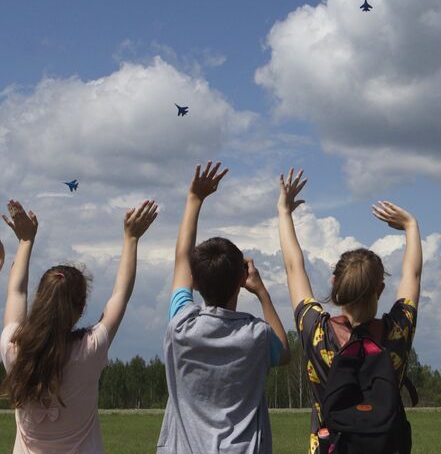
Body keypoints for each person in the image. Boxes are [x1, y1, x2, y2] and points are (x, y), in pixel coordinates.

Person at [277, 168, 422, 454]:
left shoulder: (317, 332)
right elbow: (413, 275)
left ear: (335, 285)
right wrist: (411, 226)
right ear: (380, 290)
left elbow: (294, 267)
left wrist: (284, 211)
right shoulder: (397, 331)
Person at [1, 198, 158, 453]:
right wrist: (131, 238)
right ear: (81, 306)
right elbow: (120, 294)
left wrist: (25, 241)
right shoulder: (89, 349)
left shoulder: (14, 349)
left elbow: (16, 293)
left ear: (40, 298)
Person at [157, 161, 290, 454]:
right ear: (242, 279)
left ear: (194, 282)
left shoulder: (181, 326)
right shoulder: (256, 335)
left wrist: (194, 199)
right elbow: (284, 350)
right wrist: (262, 293)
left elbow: (182, 257)